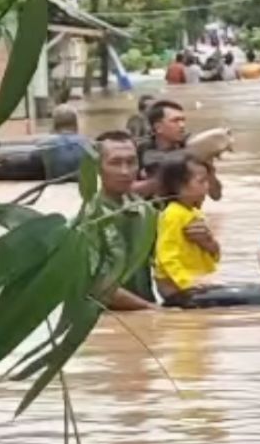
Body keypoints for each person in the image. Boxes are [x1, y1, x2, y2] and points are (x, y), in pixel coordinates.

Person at [94, 131, 158, 311]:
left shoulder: (147, 212)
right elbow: (100, 287)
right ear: (97, 167)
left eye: (131, 162)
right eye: (115, 163)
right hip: (106, 320)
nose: (125, 171)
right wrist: (150, 309)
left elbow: (166, 267)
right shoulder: (88, 220)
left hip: (147, 312)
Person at [153, 155, 221, 302]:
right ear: (179, 186)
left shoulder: (194, 213)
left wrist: (211, 245)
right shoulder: (172, 214)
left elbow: (211, 256)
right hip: (180, 286)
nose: (207, 187)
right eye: (201, 182)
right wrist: (187, 284)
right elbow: (166, 256)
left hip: (199, 281)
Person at [133, 100, 223, 202]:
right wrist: (161, 178)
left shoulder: (193, 149)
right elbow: (125, 190)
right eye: (175, 121)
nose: (182, 125)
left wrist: (209, 168)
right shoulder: (140, 150)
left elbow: (216, 195)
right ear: (158, 127)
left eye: (183, 120)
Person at [41, 103, 92, 179]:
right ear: (75, 123)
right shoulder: (89, 144)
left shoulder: (45, 144)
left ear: (54, 124)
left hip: (54, 187)